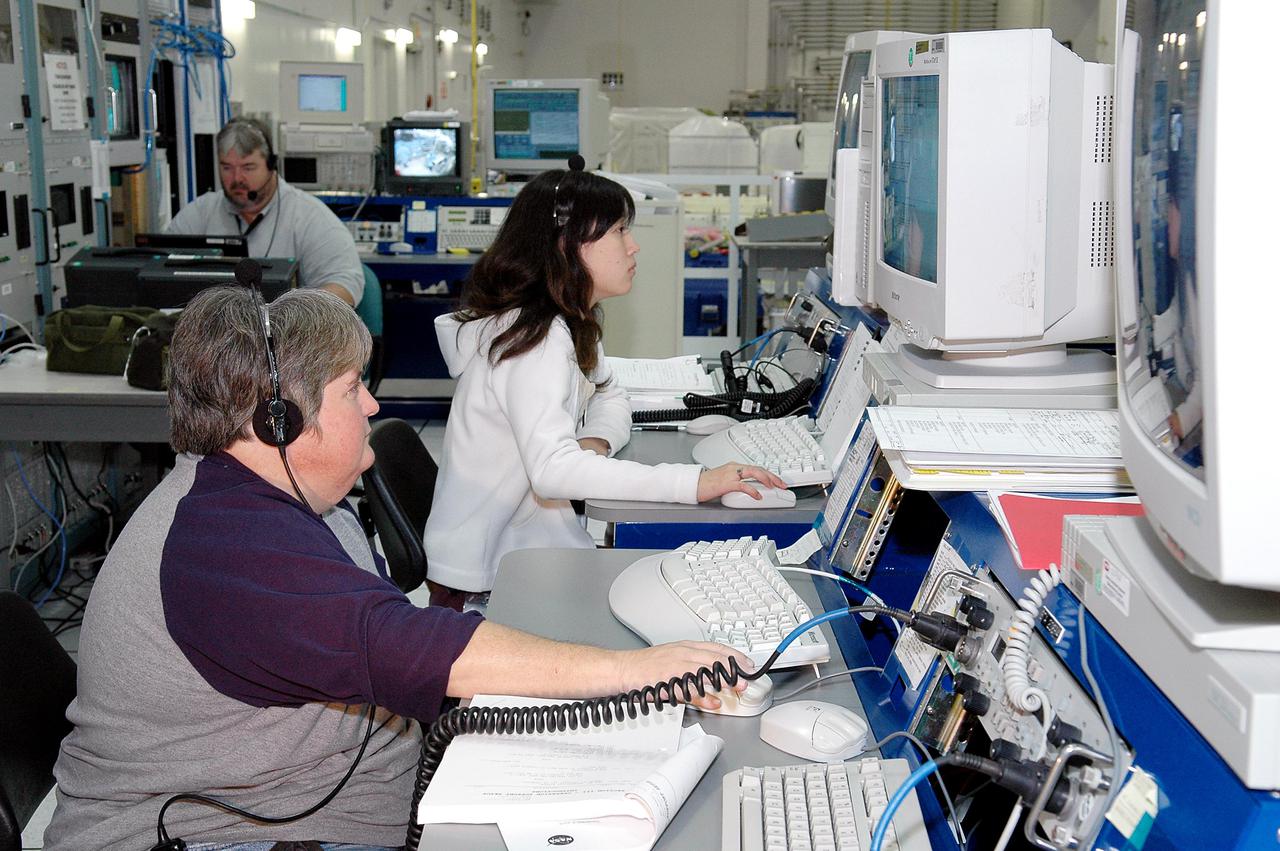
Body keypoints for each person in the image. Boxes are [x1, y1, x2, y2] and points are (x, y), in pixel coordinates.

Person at [43, 287, 746, 850]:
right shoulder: (224, 546)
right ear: (281, 420)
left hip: (305, 803)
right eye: (353, 389)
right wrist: (648, 670)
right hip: (230, 830)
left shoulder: (281, 500)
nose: (373, 404)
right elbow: (403, 644)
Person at [424, 165, 787, 605]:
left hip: (531, 553)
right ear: (567, 245)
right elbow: (553, 471)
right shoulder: (532, 341)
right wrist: (695, 484)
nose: (633, 246)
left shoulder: (570, 322)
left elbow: (610, 392)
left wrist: (593, 442)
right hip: (488, 580)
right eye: (619, 231)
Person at [165, 117, 364, 306]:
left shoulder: (310, 216)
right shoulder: (200, 213)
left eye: (248, 167)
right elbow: (158, 268)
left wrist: (295, 320)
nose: (237, 179)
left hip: (285, 336)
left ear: (271, 165)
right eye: (227, 168)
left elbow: (345, 284)